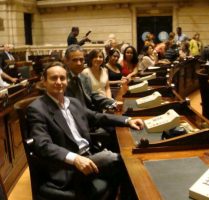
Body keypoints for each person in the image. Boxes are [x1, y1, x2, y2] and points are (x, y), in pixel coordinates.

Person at [27, 61, 144, 199]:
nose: (59, 82)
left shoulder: (73, 102)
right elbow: (43, 145)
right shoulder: (37, 109)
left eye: (62, 78)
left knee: (123, 162)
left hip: (89, 154)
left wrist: (127, 120)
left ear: (67, 80)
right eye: (53, 78)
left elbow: (96, 117)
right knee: (125, 161)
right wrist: (75, 158)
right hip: (66, 166)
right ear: (44, 82)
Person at [64, 44, 116, 112]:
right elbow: (75, 108)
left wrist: (111, 102)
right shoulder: (63, 81)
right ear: (66, 61)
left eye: (81, 60)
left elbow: (92, 95)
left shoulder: (84, 77)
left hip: (92, 112)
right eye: (75, 60)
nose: (79, 63)